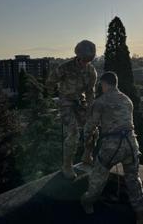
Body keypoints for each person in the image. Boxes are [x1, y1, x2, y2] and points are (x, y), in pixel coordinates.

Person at [81, 72, 143, 224]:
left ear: (104, 84)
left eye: (102, 85)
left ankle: (88, 204)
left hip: (112, 147)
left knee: (98, 177)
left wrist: (87, 148)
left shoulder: (100, 102)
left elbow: (89, 128)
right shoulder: (127, 100)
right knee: (133, 179)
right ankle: (141, 214)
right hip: (131, 143)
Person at [47, 40, 97, 179]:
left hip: (80, 102)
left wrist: (91, 109)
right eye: (83, 60)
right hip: (66, 102)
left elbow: (90, 92)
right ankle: (67, 166)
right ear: (78, 56)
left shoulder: (91, 71)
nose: (84, 64)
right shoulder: (65, 67)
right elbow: (50, 81)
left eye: (88, 61)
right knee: (73, 132)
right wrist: (54, 96)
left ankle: (87, 156)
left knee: (92, 129)